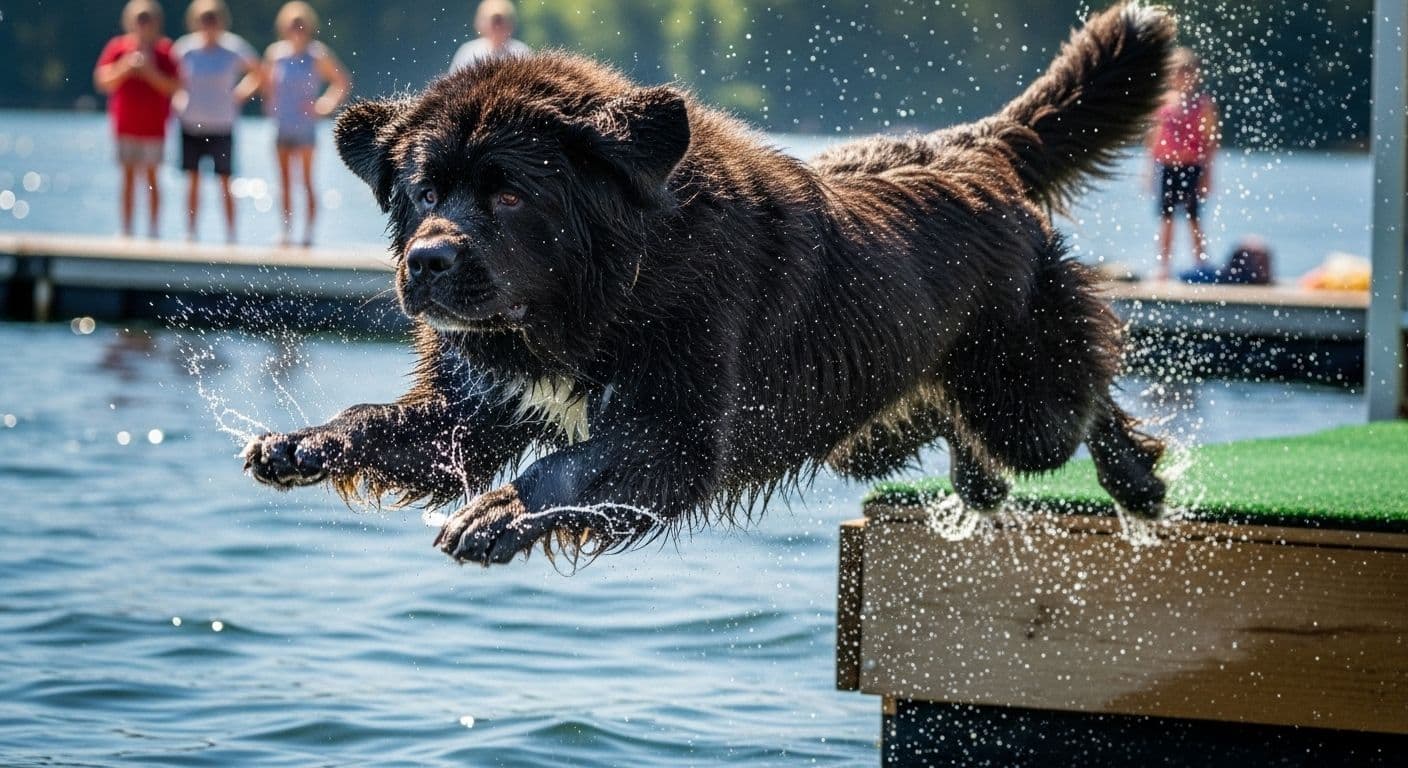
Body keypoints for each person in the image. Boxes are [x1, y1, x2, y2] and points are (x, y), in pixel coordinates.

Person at [173, 0, 260, 243]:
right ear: (195, 21)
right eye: (204, 19)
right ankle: (190, 233)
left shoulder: (233, 48)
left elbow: (258, 71)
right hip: (191, 123)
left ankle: (231, 237)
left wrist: (241, 94)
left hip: (222, 124)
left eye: (213, 18)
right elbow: (171, 79)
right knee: (192, 180)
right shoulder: (185, 49)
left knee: (225, 181)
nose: (209, 24)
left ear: (222, 21)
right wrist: (178, 99)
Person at [264, 1, 349, 247]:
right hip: (282, 126)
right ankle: (287, 232)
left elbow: (341, 81)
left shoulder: (317, 54)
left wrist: (324, 105)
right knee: (284, 182)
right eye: (292, 25)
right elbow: (267, 83)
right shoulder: (275, 54)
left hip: (305, 127)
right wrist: (270, 103)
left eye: (301, 24)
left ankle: (308, 235)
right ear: (284, 27)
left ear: (309, 26)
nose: (297, 29)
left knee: (307, 181)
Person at [94, 0, 181, 238]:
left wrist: (149, 72)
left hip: (154, 127)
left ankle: (154, 231)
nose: (144, 24)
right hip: (125, 125)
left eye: (148, 18)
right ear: (129, 21)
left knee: (153, 179)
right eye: (139, 18)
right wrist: (125, 67)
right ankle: (126, 230)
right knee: (128, 179)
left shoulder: (165, 51)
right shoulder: (118, 48)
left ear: (157, 22)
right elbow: (102, 81)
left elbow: (174, 87)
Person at [1147, 47, 1219, 281]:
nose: (1183, 78)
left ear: (1196, 75)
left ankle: (1201, 263)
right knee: (1166, 218)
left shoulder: (1203, 104)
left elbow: (1211, 142)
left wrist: (1208, 174)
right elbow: (1154, 139)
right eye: (1178, 73)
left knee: (1193, 218)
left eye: (1187, 73)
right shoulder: (1163, 102)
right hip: (1167, 167)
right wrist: (1148, 172)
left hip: (1192, 168)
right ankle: (1163, 267)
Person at [450, 0, 531, 72]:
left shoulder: (521, 53)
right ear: (482, 24)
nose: (498, 27)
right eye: (494, 22)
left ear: (510, 24)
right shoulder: (468, 53)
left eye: (500, 21)